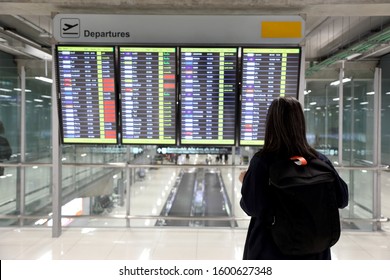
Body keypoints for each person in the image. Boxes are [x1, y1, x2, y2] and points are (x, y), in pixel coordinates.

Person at [239, 97, 348, 260]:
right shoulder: (319, 160)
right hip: (315, 252)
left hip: (272, 250)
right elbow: (342, 199)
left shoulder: (263, 162)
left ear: (270, 125)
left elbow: (252, 207)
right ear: (300, 123)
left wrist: (246, 181)